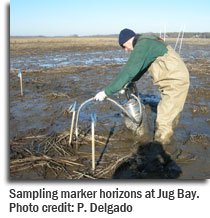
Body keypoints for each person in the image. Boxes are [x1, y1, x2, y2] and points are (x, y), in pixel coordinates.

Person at [95, 28, 189, 145]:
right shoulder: (145, 42)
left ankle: (160, 149)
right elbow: (139, 69)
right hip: (172, 81)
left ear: (129, 39)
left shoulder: (143, 45)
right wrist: (126, 84)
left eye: (124, 46)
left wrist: (107, 92)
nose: (126, 50)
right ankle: (161, 143)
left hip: (176, 82)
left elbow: (128, 71)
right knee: (165, 113)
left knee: (165, 119)